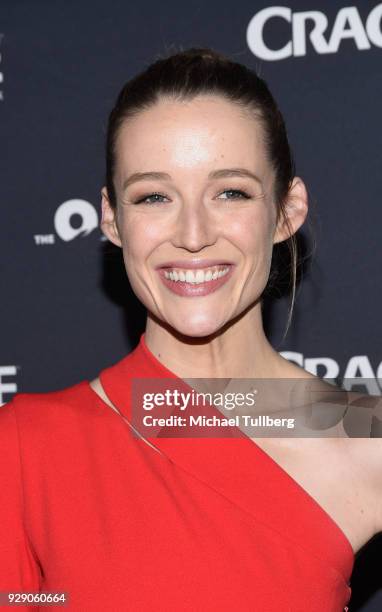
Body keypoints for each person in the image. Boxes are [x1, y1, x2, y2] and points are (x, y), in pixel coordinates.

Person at [1, 47, 381, 612]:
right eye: (155, 196)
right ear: (112, 219)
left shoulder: (367, 438)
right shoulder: (26, 449)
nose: (194, 234)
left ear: (286, 211)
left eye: (231, 192)